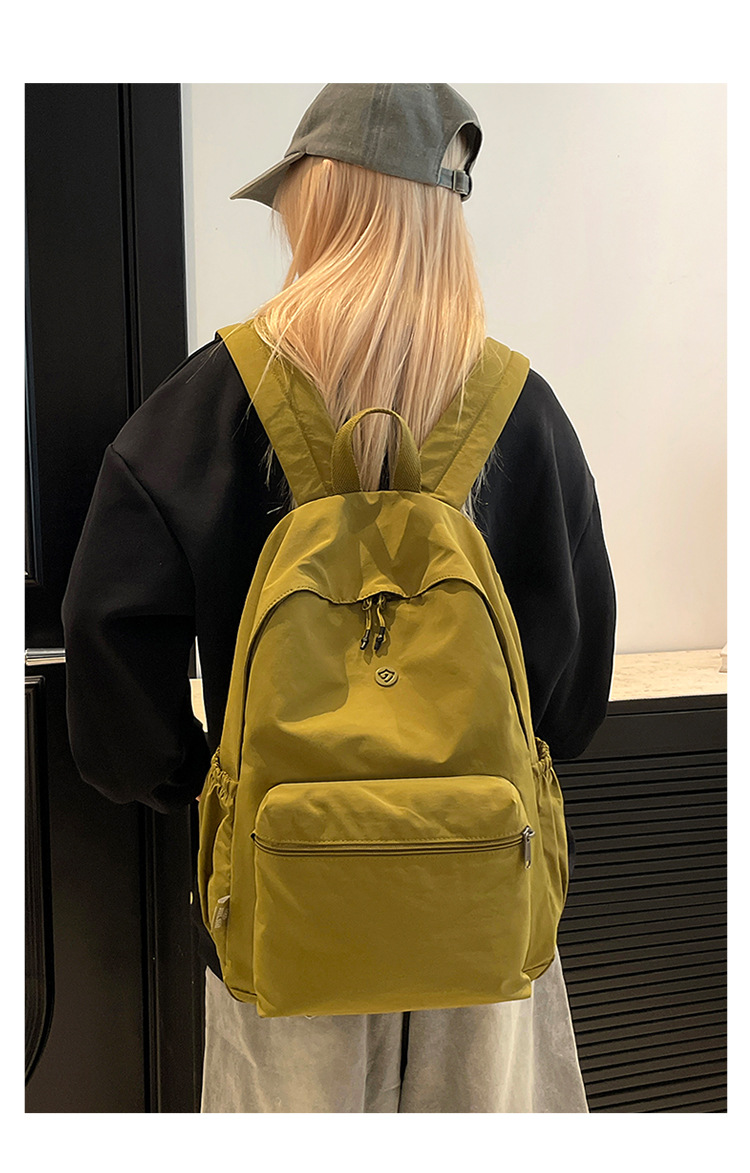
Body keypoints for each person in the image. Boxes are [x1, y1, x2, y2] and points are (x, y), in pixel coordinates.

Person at [61, 83, 616, 1113]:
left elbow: (108, 663)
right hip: (479, 891)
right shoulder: (523, 412)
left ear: (317, 202)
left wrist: (203, 781)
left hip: (282, 891)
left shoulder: (201, 407)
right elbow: (573, 701)